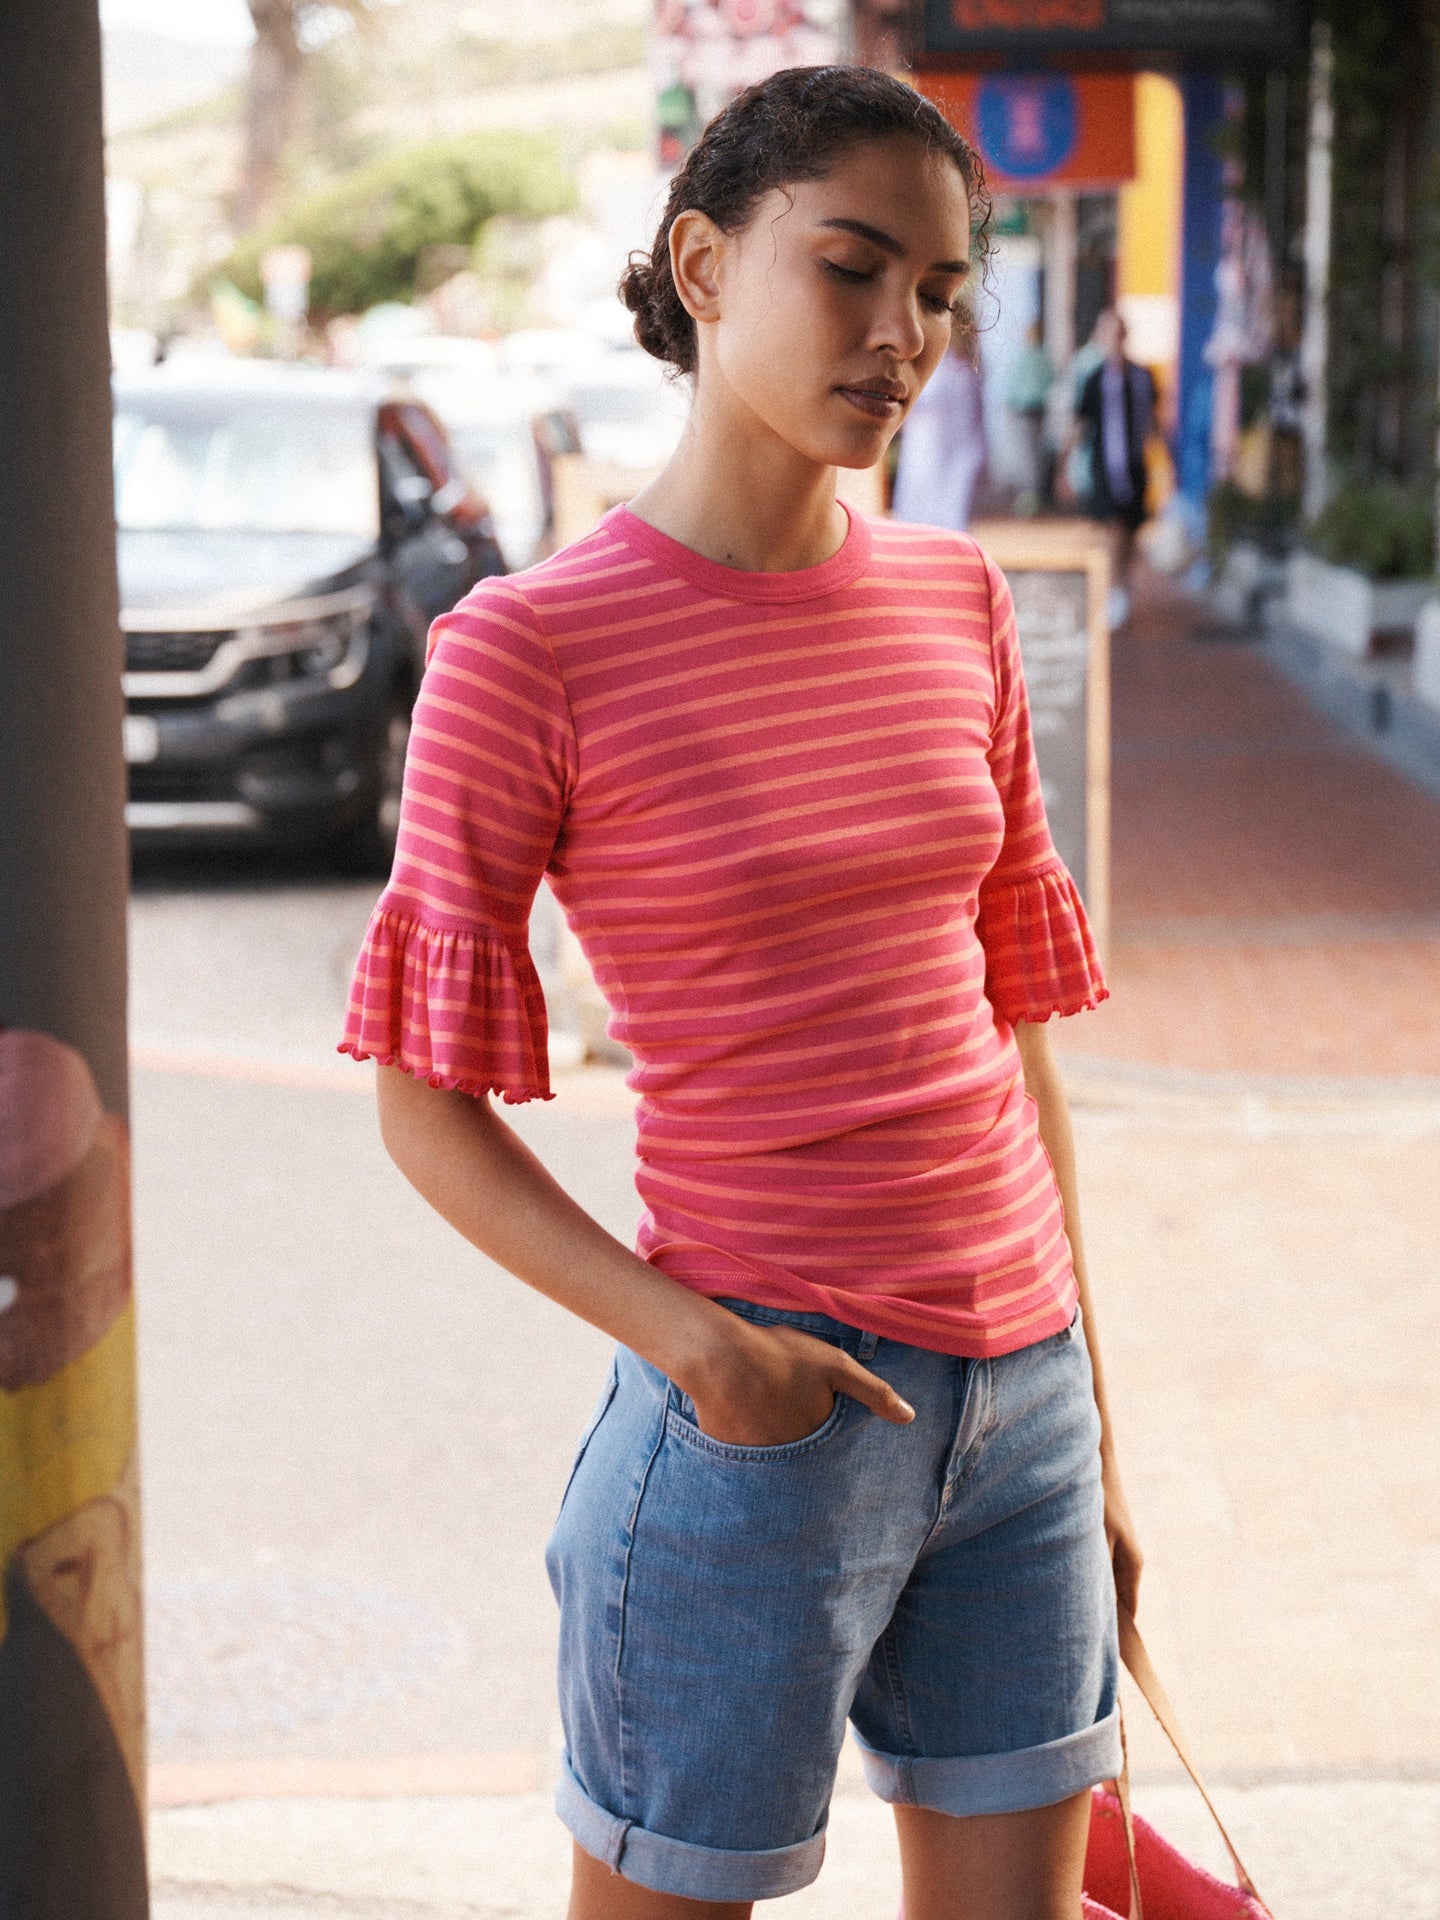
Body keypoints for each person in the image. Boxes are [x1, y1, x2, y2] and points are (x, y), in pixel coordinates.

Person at [342, 65, 1141, 1920]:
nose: (903, 335)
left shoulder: (959, 604)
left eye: (939, 292)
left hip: (1024, 1407)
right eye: (851, 269)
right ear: (702, 265)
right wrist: (699, 1350)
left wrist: (1088, 1410)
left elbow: (1010, 1025)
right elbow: (418, 1098)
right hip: (762, 1408)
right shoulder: (527, 649)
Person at [1071, 309, 1156, 629]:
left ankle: (1123, 585)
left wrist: (1166, 462)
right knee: (1114, 528)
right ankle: (1115, 591)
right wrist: (1065, 463)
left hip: (1135, 467)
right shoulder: (1094, 378)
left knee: (1131, 531)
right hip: (1106, 467)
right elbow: (1081, 421)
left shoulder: (1142, 377)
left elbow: (1152, 421)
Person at [890, 322, 987, 531]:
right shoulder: (944, 365)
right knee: (922, 506)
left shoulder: (961, 368)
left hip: (948, 447)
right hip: (927, 444)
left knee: (948, 507)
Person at [1003, 316, 1053, 513]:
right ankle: (1034, 496)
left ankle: (1031, 497)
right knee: (1034, 455)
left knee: (1029, 456)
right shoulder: (1042, 357)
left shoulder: (1027, 357)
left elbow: (1012, 385)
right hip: (1035, 411)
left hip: (1027, 411)